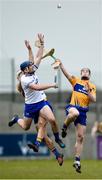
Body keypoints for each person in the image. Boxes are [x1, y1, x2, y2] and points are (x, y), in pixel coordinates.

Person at [8, 34, 65, 155]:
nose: (32, 66)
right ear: (24, 71)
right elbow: (37, 87)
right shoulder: (24, 80)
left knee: (52, 120)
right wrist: (51, 85)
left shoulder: (31, 69)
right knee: (25, 127)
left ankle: (58, 138)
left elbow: (37, 57)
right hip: (30, 106)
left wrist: (40, 45)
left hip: (41, 103)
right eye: (29, 66)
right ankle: (16, 119)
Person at [54, 60, 96, 173]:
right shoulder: (76, 81)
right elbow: (67, 74)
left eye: (87, 71)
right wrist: (61, 64)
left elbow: (93, 99)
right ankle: (64, 127)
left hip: (83, 113)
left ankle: (77, 161)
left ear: (89, 75)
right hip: (73, 107)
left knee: (81, 137)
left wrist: (88, 91)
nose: (85, 72)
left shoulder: (92, 86)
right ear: (81, 73)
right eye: (83, 71)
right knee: (75, 113)